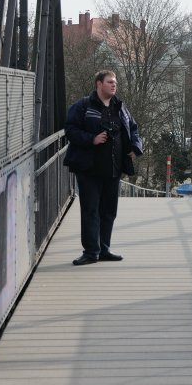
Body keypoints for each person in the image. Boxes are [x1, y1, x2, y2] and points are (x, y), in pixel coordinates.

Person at [64, 70, 143, 266]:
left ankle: (104, 249)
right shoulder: (83, 106)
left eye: (115, 82)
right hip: (89, 169)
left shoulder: (120, 107)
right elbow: (70, 130)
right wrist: (91, 139)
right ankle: (91, 252)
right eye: (110, 82)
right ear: (99, 84)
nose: (114, 85)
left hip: (113, 170)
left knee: (109, 211)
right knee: (90, 211)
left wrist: (135, 147)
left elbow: (133, 128)